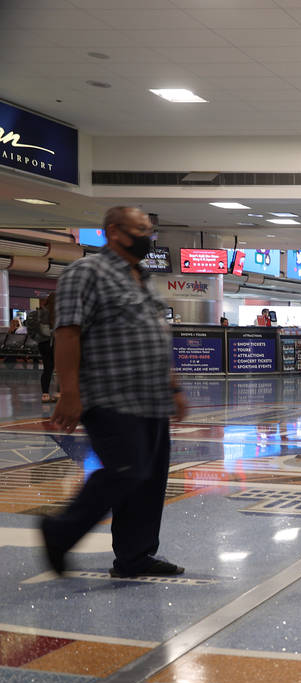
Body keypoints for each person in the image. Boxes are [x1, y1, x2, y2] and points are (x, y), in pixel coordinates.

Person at [40, 206, 188, 578]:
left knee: (151, 478)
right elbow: (68, 333)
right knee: (127, 470)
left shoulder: (141, 277)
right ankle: (59, 532)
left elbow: (154, 333)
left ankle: (134, 557)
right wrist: (69, 392)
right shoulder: (85, 273)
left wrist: (173, 387)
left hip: (150, 397)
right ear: (115, 232)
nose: (148, 236)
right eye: (141, 229)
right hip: (109, 395)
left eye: (149, 230)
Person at [28, 295, 57, 403]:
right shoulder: (56, 313)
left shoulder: (39, 312)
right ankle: (59, 393)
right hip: (55, 342)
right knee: (60, 369)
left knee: (47, 369)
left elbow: (32, 330)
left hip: (42, 343)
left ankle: (45, 395)